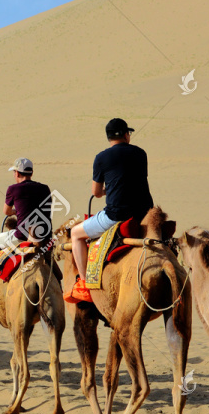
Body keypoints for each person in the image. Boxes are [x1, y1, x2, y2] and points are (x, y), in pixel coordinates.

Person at [65, 118, 153, 304]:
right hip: (144, 213)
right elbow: (134, 181)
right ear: (126, 135)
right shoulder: (141, 153)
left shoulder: (101, 158)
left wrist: (109, 190)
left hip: (116, 215)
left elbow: (96, 193)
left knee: (75, 234)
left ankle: (84, 283)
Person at [0, 158, 52, 295]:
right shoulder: (44, 188)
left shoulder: (13, 189)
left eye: (14, 172)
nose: (14, 175)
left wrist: (16, 212)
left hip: (22, 236)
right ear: (31, 172)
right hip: (44, 236)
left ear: (17, 173)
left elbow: (6, 211)